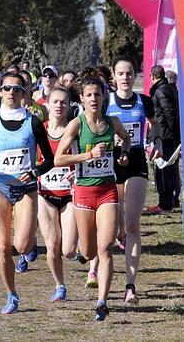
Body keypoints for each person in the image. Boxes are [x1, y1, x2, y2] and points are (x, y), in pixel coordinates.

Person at [0, 72, 54, 315]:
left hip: (26, 189)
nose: (11, 93)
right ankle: (11, 295)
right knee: (4, 248)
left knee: (22, 244)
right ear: (1, 91)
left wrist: (36, 172)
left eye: (17, 89)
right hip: (0, 187)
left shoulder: (33, 122)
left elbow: (49, 159)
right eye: (7, 88)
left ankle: (30, 243)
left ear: (24, 93)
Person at [55, 75, 131, 321]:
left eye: (97, 94)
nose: (93, 99)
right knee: (89, 251)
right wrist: (87, 157)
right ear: (82, 98)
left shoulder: (113, 122)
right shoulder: (77, 125)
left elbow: (127, 139)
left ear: (103, 97)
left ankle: (102, 302)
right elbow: (58, 159)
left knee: (106, 247)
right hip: (84, 192)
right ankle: (85, 254)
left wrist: (123, 154)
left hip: (107, 190)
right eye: (88, 95)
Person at [106, 55, 162, 305]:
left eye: (129, 73)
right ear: (114, 76)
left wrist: (157, 140)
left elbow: (155, 123)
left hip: (137, 163)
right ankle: (100, 265)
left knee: (132, 225)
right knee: (114, 225)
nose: (126, 78)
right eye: (121, 74)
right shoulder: (105, 102)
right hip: (111, 165)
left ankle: (130, 286)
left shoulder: (144, 101)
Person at [37, 87, 79, 301]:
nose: (59, 106)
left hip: (70, 194)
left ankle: (79, 247)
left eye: (64, 102)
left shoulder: (75, 130)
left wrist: (78, 174)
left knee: (69, 250)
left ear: (69, 105)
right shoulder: (39, 130)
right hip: (45, 193)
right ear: (47, 104)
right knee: (52, 244)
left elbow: (85, 157)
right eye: (55, 102)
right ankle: (59, 285)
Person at [149, 65, 181, 213]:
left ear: (152, 76)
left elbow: (168, 112)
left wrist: (171, 133)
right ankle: (173, 200)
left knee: (163, 170)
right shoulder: (171, 88)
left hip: (165, 135)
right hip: (171, 134)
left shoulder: (160, 90)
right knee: (172, 169)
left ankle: (165, 204)